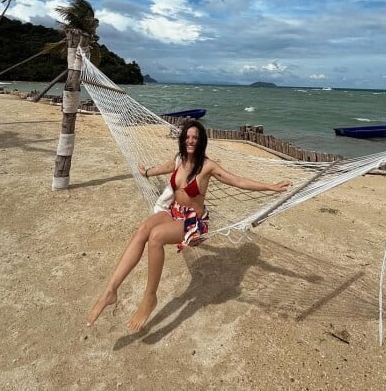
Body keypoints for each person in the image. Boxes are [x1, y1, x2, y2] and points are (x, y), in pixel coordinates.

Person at [86, 119, 291, 331]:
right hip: (174, 212)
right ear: (183, 140)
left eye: (195, 137)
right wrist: (146, 172)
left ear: (201, 141)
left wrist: (271, 187)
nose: (190, 140)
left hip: (194, 221)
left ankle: (150, 297)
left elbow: (237, 181)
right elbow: (163, 168)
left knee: (155, 237)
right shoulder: (179, 160)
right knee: (143, 230)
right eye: (188, 137)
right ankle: (110, 291)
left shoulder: (207, 166)